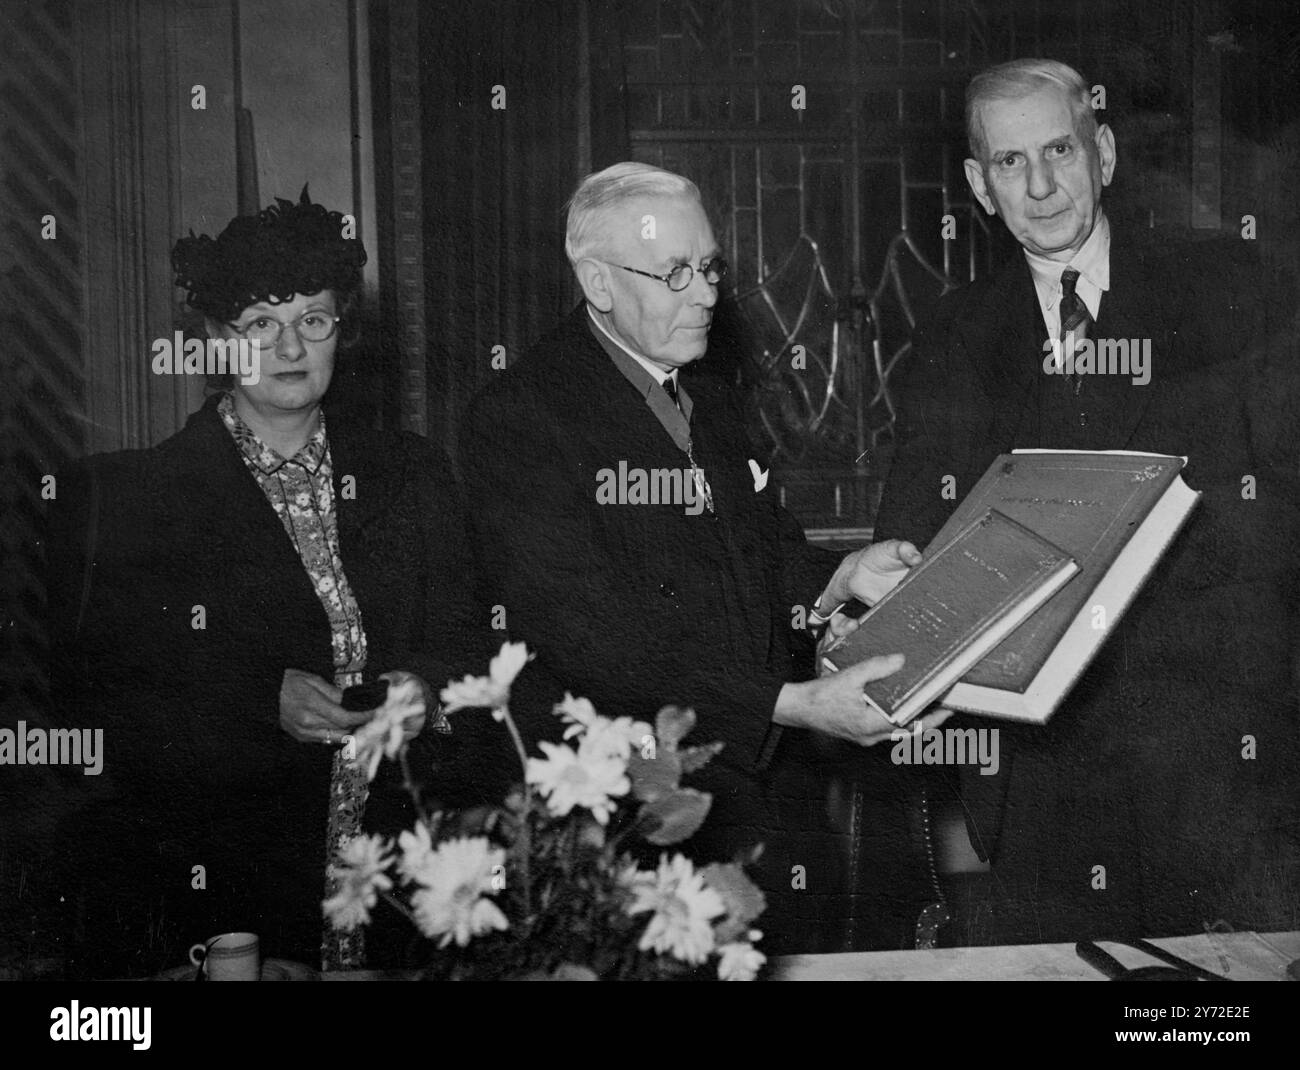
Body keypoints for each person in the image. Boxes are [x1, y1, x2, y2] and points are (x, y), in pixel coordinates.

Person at [458, 162, 948, 954]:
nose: (708, 294)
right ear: (599, 282)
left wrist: (837, 577)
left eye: (711, 266)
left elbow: (757, 546)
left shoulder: (703, 387)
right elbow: (592, 637)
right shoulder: (520, 418)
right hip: (631, 819)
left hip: (759, 791)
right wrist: (789, 704)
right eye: (675, 272)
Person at [874, 58, 1300, 944]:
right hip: (1041, 772)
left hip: (1221, 753)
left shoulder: (1231, 286)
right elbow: (915, 526)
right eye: (1008, 163)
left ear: (1103, 152)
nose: (1039, 185)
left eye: (1059, 149)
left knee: (1219, 1006)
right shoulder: (953, 334)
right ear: (978, 187)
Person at [44, 189, 491, 976]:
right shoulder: (135, 498)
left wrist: (424, 686)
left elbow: (470, 631)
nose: (289, 347)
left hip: (400, 869)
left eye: (312, 320)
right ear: (217, 340)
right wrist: (259, 699)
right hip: (230, 881)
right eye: (259, 325)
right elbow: (104, 696)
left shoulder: (412, 472)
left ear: (339, 331)